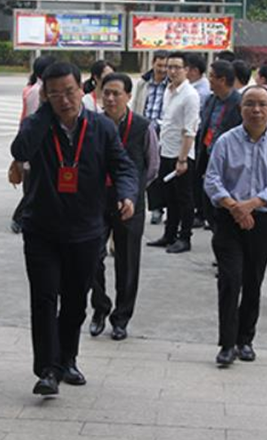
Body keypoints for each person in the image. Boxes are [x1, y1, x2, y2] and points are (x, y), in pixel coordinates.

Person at [11, 61, 138, 396]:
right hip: (42, 229)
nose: (64, 100)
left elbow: (123, 166)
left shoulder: (101, 128)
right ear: (45, 95)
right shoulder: (40, 127)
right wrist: (41, 112)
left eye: (69, 92)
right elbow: (19, 150)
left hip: (85, 230)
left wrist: (127, 194)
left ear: (83, 89)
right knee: (43, 299)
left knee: (74, 302)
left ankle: (68, 359)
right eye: (54, 94)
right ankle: (47, 370)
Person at [204, 85, 267, 366]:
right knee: (230, 280)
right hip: (228, 221)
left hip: (262, 221)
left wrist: (251, 205)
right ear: (240, 108)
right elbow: (212, 180)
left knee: (253, 282)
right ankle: (227, 344)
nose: (256, 110)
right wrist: (234, 207)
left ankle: (246, 340)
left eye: (263, 105)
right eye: (250, 104)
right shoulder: (226, 142)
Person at [89, 73, 159, 341]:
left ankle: (121, 318)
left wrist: (134, 191)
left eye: (116, 93)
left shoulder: (143, 127)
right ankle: (99, 308)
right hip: (96, 202)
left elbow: (151, 167)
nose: (110, 98)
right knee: (92, 258)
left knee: (128, 262)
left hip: (130, 202)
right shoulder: (92, 124)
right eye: (106, 92)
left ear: (128, 96)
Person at [147, 52, 201, 254]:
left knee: (184, 199)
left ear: (186, 70)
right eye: (170, 67)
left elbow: (190, 130)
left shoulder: (190, 95)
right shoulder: (169, 90)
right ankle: (169, 235)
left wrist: (182, 159)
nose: (172, 71)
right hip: (166, 151)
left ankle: (184, 237)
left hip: (182, 155)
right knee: (170, 197)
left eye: (177, 67)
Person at [9, 55, 57, 234]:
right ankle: (20, 218)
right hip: (36, 146)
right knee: (34, 189)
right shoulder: (40, 92)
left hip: (30, 143)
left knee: (32, 188)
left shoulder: (31, 89)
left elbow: (24, 119)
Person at [195, 60, 242, 236]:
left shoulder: (239, 103)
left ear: (222, 80)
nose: (209, 80)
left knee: (223, 207)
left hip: (228, 162)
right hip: (207, 155)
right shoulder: (211, 100)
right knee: (207, 203)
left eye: (212, 77)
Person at [131, 50, 170, 225]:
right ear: (153, 63)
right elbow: (137, 104)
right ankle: (155, 208)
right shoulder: (143, 83)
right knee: (148, 168)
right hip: (145, 131)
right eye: (159, 65)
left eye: (165, 66)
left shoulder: (171, 85)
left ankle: (162, 206)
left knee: (162, 170)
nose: (162, 69)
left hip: (164, 133)